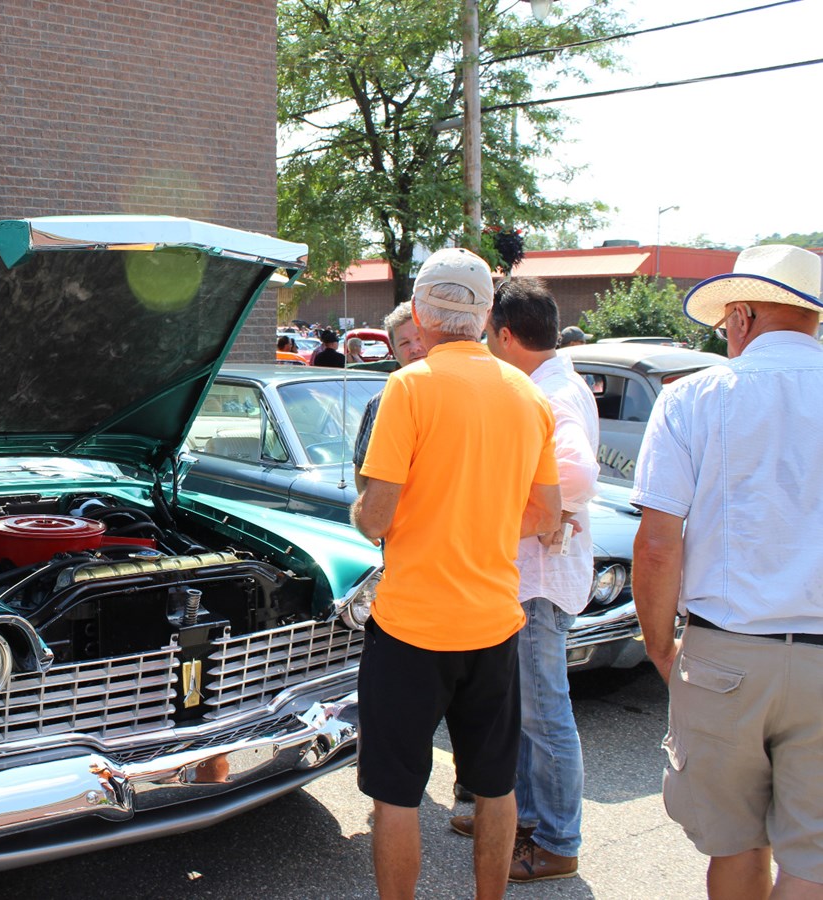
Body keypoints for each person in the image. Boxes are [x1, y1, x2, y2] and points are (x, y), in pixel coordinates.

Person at [352, 247, 563, 900]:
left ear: (420, 312)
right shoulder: (527, 395)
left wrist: (364, 508)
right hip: (495, 623)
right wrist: (487, 522)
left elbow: (377, 517)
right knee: (495, 786)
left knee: (397, 794)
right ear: (485, 315)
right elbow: (548, 514)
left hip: (412, 624)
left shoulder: (409, 386)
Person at [630, 244, 823, 900]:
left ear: (740, 316)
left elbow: (658, 545)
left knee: (733, 843)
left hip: (723, 651)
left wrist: (659, 646)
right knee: (812, 859)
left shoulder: (694, 398)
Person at [458, 276, 599, 883]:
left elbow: (576, 476)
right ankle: (530, 821)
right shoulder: (553, 383)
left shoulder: (549, 395)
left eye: (489, 333)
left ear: (507, 335)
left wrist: (514, 515)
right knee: (530, 713)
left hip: (539, 581)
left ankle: (558, 842)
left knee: (544, 715)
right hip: (540, 576)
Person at [352, 302, 427, 492]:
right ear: (394, 350)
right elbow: (362, 471)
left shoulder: (455, 392)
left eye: (420, 338)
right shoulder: (379, 403)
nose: (415, 348)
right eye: (405, 343)